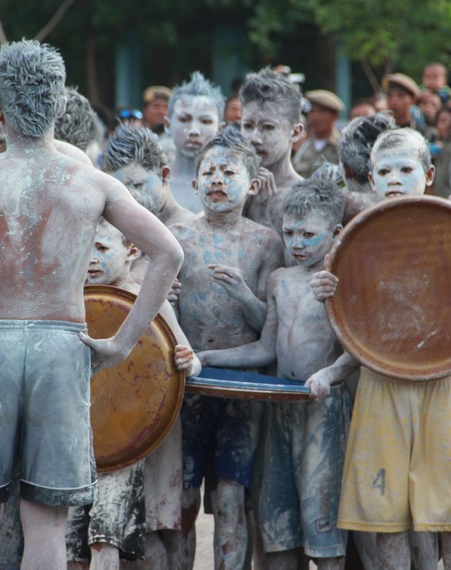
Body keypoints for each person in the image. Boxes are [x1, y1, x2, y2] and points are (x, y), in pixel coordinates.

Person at [0, 40, 182, 569]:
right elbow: (168, 251)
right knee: (45, 522)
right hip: (59, 349)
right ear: (58, 104)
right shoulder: (91, 182)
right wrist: (118, 343)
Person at [309, 128, 451, 570]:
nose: (394, 179)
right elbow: (356, 320)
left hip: (440, 381)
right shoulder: (353, 241)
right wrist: (327, 285)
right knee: (384, 518)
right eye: (384, 171)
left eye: (405, 169)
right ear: (370, 178)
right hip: (377, 382)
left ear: (427, 175)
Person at [197, 176, 351, 569]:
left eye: (309, 235)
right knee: (278, 519)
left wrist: (329, 375)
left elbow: (358, 350)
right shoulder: (280, 280)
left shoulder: (341, 282)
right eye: (289, 233)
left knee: (323, 518)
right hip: (280, 403)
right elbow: (266, 347)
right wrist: (209, 358)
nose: (297, 243)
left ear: (336, 233)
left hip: (324, 407)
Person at [170, 126, 284, 569]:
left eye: (228, 172)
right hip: (187, 383)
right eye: (209, 172)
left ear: (252, 185)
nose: (217, 179)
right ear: (195, 182)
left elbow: (266, 329)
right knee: (181, 494)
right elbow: (165, 317)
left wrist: (244, 296)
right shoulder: (178, 237)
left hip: (242, 385)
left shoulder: (264, 242)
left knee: (232, 493)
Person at [67, 218, 200, 569]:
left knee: (106, 534)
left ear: (131, 250)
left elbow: (189, 358)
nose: (91, 259)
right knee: (69, 542)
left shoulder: (149, 300)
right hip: (71, 443)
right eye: (86, 249)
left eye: (102, 248)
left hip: (124, 442)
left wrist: (188, 361)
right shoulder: (69, 299)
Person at [239, 67, 305, 232]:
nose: (254, 138)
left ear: (295, 132)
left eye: (267, 127)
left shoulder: (305, 197)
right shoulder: (225, 186)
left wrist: (262, 213)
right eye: (247, 126)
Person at [101, 124, 196, 228]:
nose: (130, 197)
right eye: (121, 190)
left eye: (137, 186)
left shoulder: (189, 230)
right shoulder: (117, 230)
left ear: (164, 175)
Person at [167, 72, 224, 214]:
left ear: (220, 129)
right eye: (184, 120)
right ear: (167, 125)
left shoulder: (232, 184)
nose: (194, 131)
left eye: (205, 121)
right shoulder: (155, 181)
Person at [293, 90, 344, 178]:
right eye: (312, 112)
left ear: (335, 116)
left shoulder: (342, 146)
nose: (315, 117)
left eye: (321, 112)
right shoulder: (302, 146)